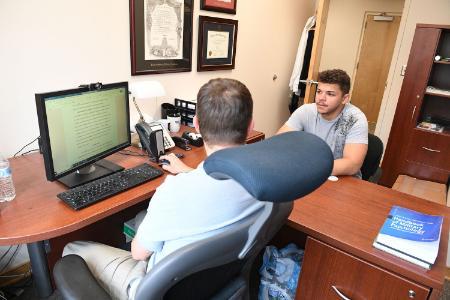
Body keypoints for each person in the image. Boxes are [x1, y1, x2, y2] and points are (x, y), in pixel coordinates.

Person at [62, 78, 263, 300]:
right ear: (251, 125)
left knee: (74, 248)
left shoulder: (174, 192)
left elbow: (138, 254)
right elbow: (216, 187)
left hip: (156, 289)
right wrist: (187, 171)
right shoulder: (268, 183)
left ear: (196, 124)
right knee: (141, 217)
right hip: (215, 282)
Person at [278, 69, 368, 178]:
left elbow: (352, 164)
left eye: (330, 94)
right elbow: (278, 142)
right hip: (308, 174)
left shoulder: (355, 119)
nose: (321, 98)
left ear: (344, 99)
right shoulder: (306, 111)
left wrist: (308, 168)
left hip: (342, 179)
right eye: (319, 91)